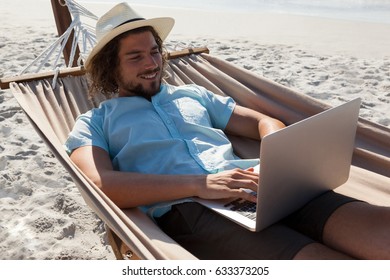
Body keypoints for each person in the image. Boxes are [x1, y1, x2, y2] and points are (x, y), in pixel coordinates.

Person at [65, 2, 390, 260]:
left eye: (153, 51)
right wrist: (202, 184)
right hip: (190, 209)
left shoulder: (192, 94)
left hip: (258, 186)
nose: (151, 63)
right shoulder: (95, 121)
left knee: (380, 230)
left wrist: (276, 144)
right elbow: (98, 185)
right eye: (135, 57)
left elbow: (260, 121)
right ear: (111, 66)